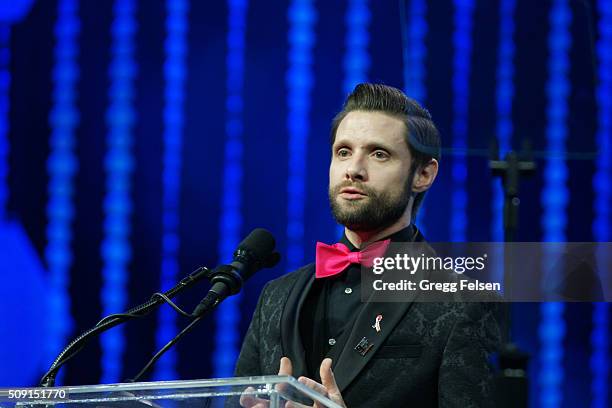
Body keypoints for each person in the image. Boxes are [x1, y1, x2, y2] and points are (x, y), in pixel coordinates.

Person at [234, 83, 501, 407]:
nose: (354, 170)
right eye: (343, 151)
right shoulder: (275, 297)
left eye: (379, 154)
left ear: (424, 174)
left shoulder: (460, 301)